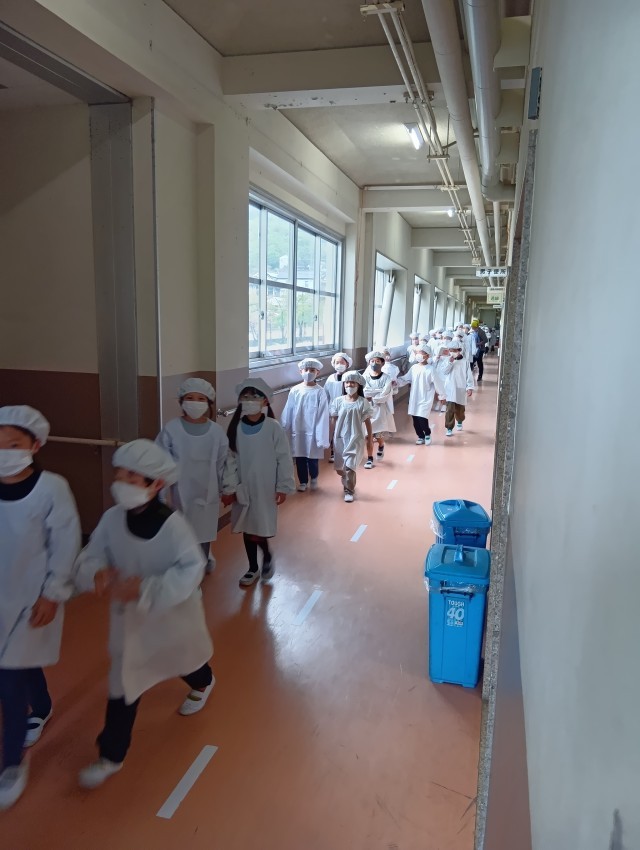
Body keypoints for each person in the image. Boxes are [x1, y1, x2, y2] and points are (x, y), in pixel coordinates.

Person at [73, 440, 214, 789]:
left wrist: (148, 588)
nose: (121, 483)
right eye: (119, 475)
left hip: (171, 614)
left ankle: (204, 680)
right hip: (131, 621)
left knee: (183, 660)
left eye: (132, 478)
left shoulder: (173, 526)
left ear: (156, 484)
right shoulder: (111, 520)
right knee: (125, 681)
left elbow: (192, 568)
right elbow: (93, 553)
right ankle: (111, 755)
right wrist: (95, 572)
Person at [0, 406, 80, 810]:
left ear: (34, 445)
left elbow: (65, 544)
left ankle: (11, 763)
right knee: (18, 665)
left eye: (12, 444)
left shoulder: (51, 488)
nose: (4, 452)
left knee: (9, 682)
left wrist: (53, 593)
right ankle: (44, 707)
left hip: (31, 600)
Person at [222, 378, 296, 587]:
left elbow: (283, 458)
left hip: (266, 487)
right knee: (247, 527)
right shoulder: (236, 428)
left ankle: (267, 556)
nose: (249, 400)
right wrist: (229, 487)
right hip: (243, 487)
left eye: (255, 397)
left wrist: (283, 486)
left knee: (259, 527)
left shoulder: (273, 427)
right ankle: (253, 567)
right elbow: (230, 460)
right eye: (245, 396)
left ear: (265, 401)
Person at [156, 378, 229, 574]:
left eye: (200, 398)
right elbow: (160, 463)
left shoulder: (216, 432)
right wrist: (159, 496)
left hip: (208, 493)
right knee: (181, 533)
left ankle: (200, 568)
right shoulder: (171, 429)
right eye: (190, 398)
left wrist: (227, 488)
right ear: (182, 401)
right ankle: (183, 569)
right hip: (179, 493)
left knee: (203, 532)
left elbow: (223, 463)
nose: (195, 402)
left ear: (208, 403)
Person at [281, 358, 330, 492]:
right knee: (300, 456)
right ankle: (303, 481)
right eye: (306, 370)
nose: (308, 372)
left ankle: (314, 477)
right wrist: (284, 426)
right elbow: (289, 409)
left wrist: (320, 434)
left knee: (312, 457)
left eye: (312, 370)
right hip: (298, 429)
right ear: (300, 371)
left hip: (313, 430)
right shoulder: (295, 390)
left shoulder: (320, 392)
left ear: (318, 372)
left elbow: (322, 414)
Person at [329, 372, 374, 503]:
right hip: (340, 438)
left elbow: (367, 421)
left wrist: (370, 438)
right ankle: (346, 480)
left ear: (358, 385)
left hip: (356, 437)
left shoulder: (363, 402)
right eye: (347, 382)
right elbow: (333, 420)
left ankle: (349, 491)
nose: (349, 385)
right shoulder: (338, 401)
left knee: (350, 465)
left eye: (352, 382)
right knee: (340, 468)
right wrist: (330, 438)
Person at [396, 343, 437, 445]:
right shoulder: (414, 368)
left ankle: (427, 434)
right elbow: (406, 379)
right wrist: (396, 382)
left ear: (427, 355)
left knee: (422, 417)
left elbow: (437, 383)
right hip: (415, 397)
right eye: (417, 353)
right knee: (415, 419)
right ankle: (420, 436)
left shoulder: (431, 369)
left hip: (426, 397)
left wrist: (442, 396)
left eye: (421, 353)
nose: (419, 355)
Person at [363, 350, 395, 467]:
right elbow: (364, 391)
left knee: (378, 435)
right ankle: (370, 458)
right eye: (372, 361)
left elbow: (385, 394)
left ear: (382, 363)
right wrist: (376, 391)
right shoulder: (365, 377)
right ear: (369, 363)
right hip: (367, 409)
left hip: (380, 410)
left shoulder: (386, 378)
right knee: (368, 436)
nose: (374, 363)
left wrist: (373, 397)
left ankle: (381, 445)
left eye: (377, 361)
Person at [442, 340, 475, 436]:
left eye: (454, 350)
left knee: (460, 409)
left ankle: (460, 420)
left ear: (460, 350)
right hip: (449, 388)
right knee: (449, 409)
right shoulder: (447, 360)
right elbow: (444, 372)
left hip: (460, 388)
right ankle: (449, 427)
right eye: (450, 350)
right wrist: (450, 363)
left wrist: (469, 387)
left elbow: (469, 376)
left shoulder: (465, 362)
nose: (452, 352)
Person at [324, 352, 353, 462]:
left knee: (345, 431)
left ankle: (346, 452)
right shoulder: (330, 379)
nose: (339, 365)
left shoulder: (350, 377)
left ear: (347, 364)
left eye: (342, 362)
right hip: (333, 409)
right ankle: (333, 452)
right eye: (337, 362)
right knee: (333, 430)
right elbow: (326, 394)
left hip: (347, 408)